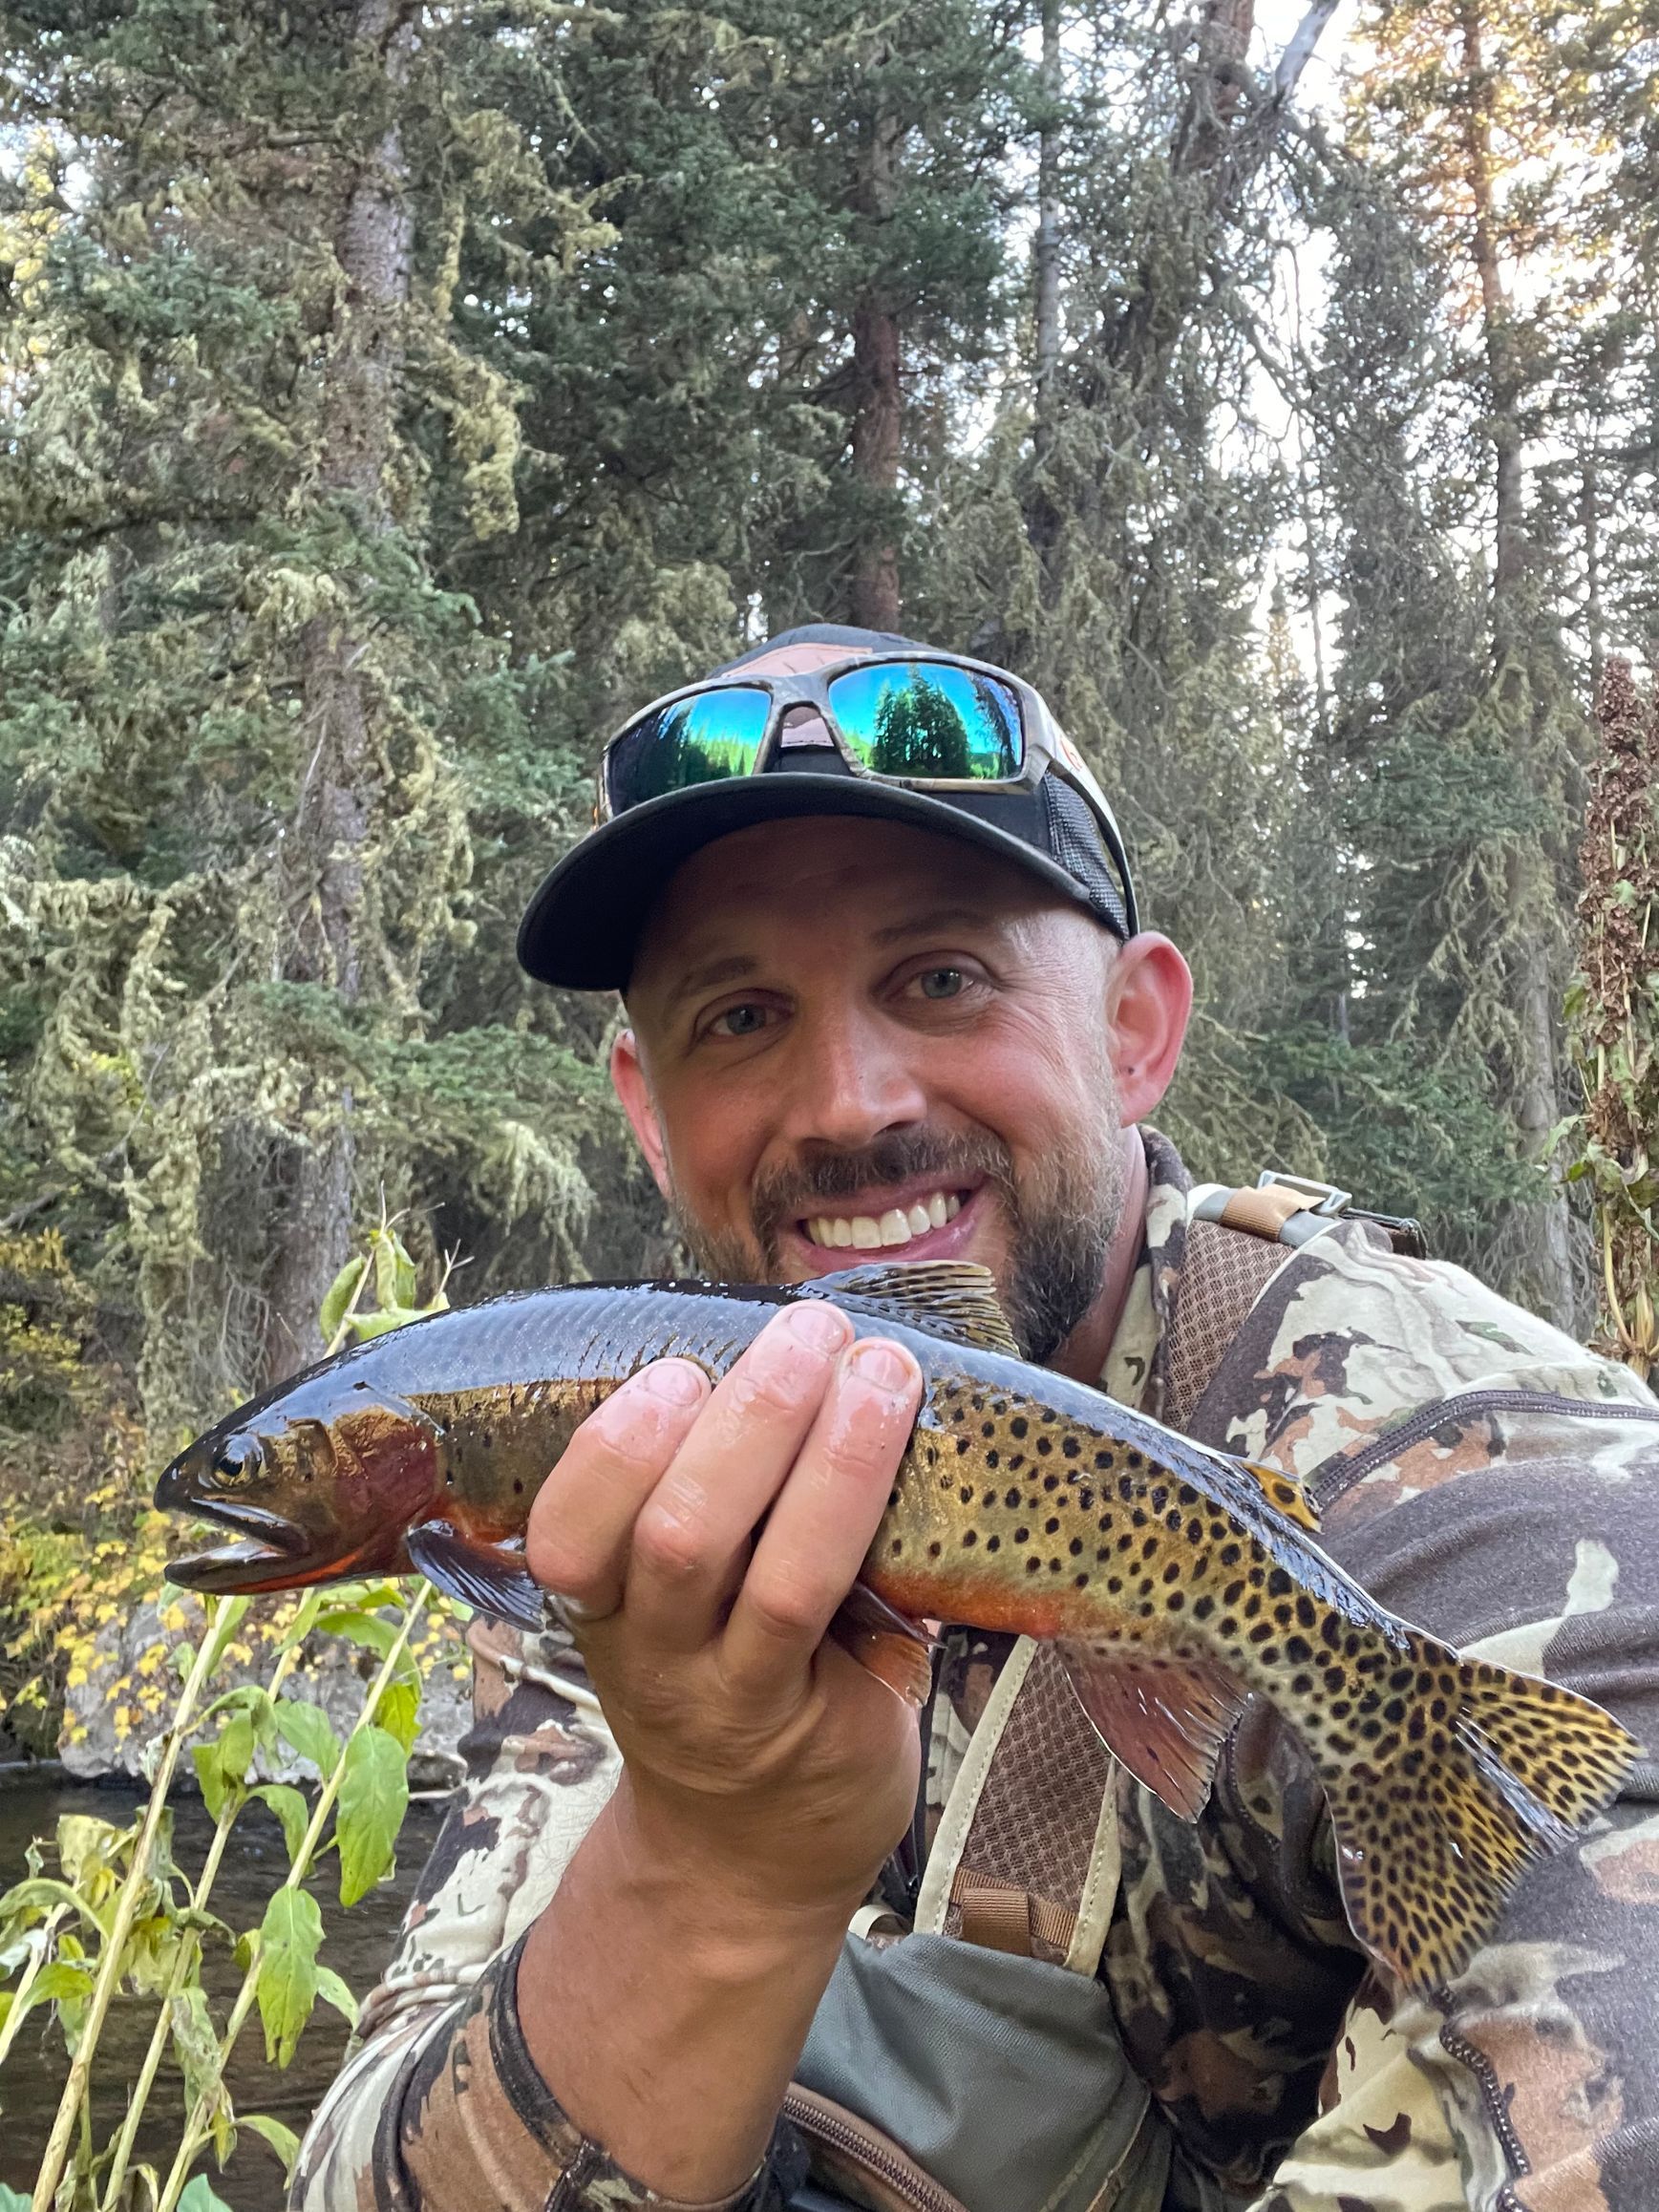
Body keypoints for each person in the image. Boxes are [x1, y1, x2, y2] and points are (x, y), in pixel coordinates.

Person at [291, 627, 1659, 2212]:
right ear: (648, 1114)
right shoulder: (619, 1477)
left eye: (939, 980)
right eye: (737, 1018)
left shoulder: (1477, 1462)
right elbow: (372, 2175)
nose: (853, 1103)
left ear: (1136, 1033)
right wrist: (705, 1878)